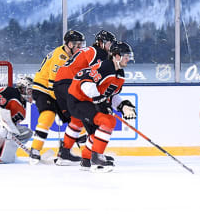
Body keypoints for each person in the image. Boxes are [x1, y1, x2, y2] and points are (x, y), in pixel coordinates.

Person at [64, 41, 135, 172]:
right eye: (125, 55)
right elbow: (85, 84)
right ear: (116, 56)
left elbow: (111, 95)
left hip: (89, 102)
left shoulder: (119, 74)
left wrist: (122, 106)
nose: (128, 59)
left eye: (129, 56)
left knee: (96, 133)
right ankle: (97, 160)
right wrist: (100, 101)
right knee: (108, 121)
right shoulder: (105, 67)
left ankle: (86, 160)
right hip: (77, 100)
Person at [28, 29, 85, 162]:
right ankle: (35, 150)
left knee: (76, 118)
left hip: (57, 89)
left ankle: (87, 153)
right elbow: (53, 83)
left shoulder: (71, 55)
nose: (80, 47)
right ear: (69, 44)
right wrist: (65, 101)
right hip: (43, 89)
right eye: (78, 44)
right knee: (48, 115)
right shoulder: (60, 57)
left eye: (81, 44)